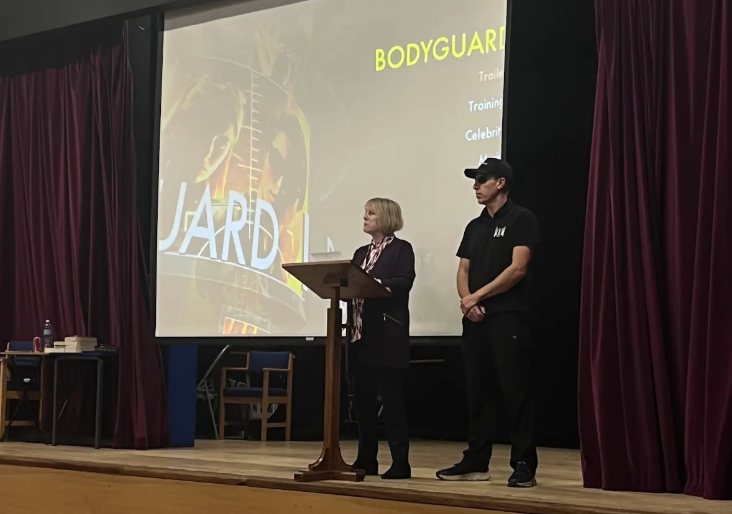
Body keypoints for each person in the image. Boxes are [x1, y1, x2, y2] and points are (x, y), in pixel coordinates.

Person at [436, 158, 540, 487]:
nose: (476, 186)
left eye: (482, 180)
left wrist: (477, 296)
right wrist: (468, 302)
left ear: (501, 183)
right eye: (475, 180)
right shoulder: (475, 226)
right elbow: (463, 269)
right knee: (477, 392)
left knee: (514, 391)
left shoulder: (521, 218)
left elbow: (518, 268)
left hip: (508, 317)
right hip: (475, 320)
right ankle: (476, 461)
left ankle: (523, 463)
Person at [349, 198, 416, 480]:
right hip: (359, 336)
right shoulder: (360, 253)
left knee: (392, 402)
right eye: (365, 212)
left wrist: (377, 284)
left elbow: (404, 281)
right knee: (362, 401)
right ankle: (366, 459)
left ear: (386, 217)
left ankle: (400, 462)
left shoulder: (402, 249)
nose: (365, 217)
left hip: (387, 337)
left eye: (371, 213)